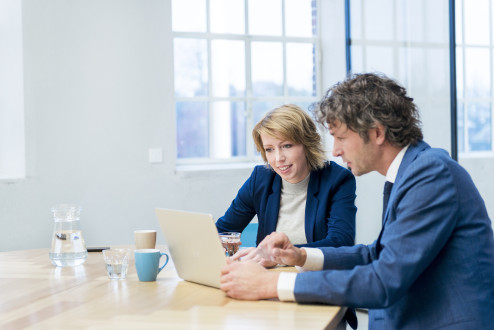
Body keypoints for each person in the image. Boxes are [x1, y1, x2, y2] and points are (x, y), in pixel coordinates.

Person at [219, 73, 494, 329]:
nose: (336, 150)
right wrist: (301, 255)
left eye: (340, 138)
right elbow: (376, 254)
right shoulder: (410, 172)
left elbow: (383, 280)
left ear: (376, 133)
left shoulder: (431, 174)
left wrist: (272, 283)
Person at [215, 104, 357, 259]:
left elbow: (340, 243)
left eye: (287, 146)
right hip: (267, 276)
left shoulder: (337, 179)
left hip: (315, 277)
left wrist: (278, 255)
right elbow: (223, 230)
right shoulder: (261, 178)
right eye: (269, 149)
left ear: (307, 144)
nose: (278, 159)